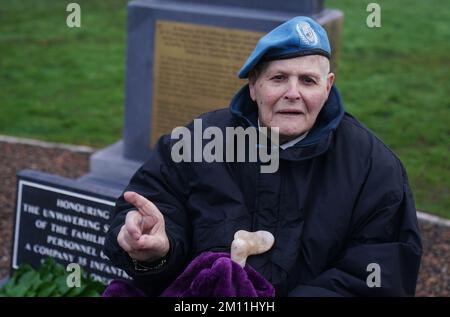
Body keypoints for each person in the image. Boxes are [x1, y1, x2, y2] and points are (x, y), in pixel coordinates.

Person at [103, 16, 422, 296]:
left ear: (328, 87)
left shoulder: (374, 168)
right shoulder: (198, 140)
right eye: (278, 78)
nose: (293, 93)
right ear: (254, 86)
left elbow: (378, 276)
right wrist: (156, 250)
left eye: (308, 80)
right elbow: (151, 206)